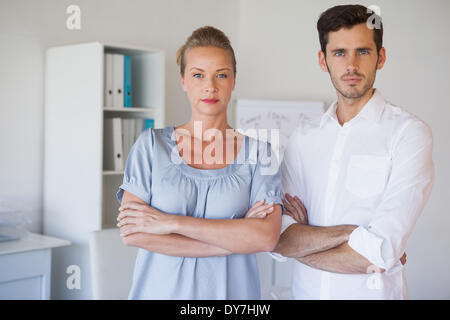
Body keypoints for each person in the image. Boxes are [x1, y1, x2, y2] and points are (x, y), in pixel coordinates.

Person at [271, 4, 434, 299]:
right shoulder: (303, 139)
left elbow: (378, 253)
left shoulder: (409, 134)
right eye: (339, 52)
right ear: (323, 60)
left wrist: (302, 244)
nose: (351, 65)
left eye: (363, 51)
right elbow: (279, 238)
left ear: (380, 57)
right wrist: (351, 232)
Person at [116, 26, 282, 300]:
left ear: (233, 80)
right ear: (183, 80)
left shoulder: (260, 154)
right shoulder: (150, 146)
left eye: (221, 75)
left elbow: (265, 238)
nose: (210, 86)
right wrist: (230, 243)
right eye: (198, 75)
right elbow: (132, 234)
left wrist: (171, 223)